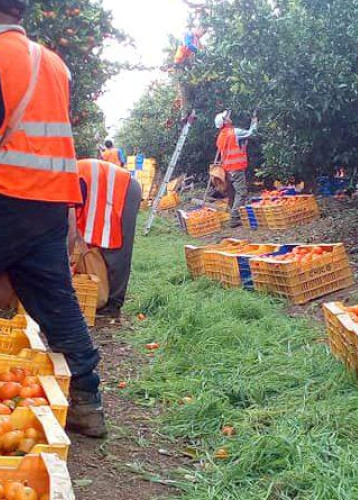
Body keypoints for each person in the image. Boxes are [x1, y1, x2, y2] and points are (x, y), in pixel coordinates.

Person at [0, 0, 105, 437]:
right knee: (57, 302)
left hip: (6, 193)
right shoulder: (55, 63)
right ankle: (87, 404)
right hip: (49, 203)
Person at [71, 159, 142, 318]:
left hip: (123, 190)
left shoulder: (65, 181)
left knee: (117, 249)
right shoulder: (63, 179)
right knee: (98, 246)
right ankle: (103, 293)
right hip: (105, 193)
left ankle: (114, 304)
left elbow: (70, 225)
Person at [215, 110, 258, 227]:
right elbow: (252, 133)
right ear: (224, 122)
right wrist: (254, 121)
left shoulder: (221, 136)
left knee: (233, 193)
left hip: (228, 169)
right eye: (227, 117)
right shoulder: (234, 132)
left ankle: (234, 214)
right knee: (242, 192)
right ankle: (234, 218)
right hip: (236, 168)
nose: (229, 118)